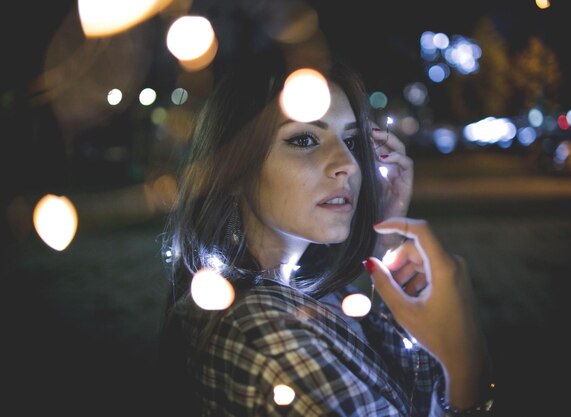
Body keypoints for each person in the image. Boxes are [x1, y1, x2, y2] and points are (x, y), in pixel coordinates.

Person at [157, 47, 494, 416]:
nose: (348, 163)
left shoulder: (312, 292)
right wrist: (467, 375)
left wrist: (387, 237)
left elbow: (404, 393)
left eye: (350, 141)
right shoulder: (267, 339)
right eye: (304, 139)